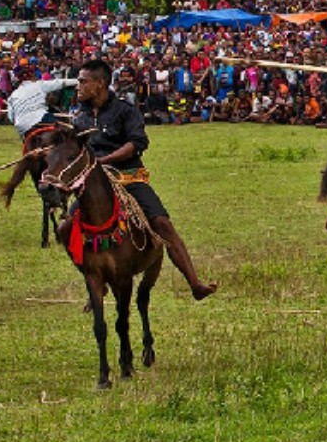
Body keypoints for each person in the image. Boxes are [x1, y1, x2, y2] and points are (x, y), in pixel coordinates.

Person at [71, 57, 217, 298]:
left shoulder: (125, 111)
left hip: (128, 178)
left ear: (100, 84)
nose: (79, 86)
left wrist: (104, 161)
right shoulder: (80, 118)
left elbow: (137, 143)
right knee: (68, 225)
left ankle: (194, 283)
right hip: (96, 184)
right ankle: (94, 283)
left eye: (83, 82)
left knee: (162, 224)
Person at [7, 73, 78, 137]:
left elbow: (11, 118)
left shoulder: (12, 96)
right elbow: (59, 83)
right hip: (40, 118)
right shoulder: (39, 85)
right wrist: (78, 80)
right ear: (31, 78)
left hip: (22, 127)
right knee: (69, 131)